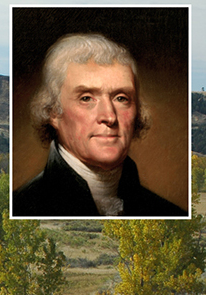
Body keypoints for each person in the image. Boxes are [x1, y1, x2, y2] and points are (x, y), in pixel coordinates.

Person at [12, 33, 186, 217]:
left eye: (121, 98)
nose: (109, 116)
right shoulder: (21, 207)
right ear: (53, 112)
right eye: (86, 98)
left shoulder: (167, 212)